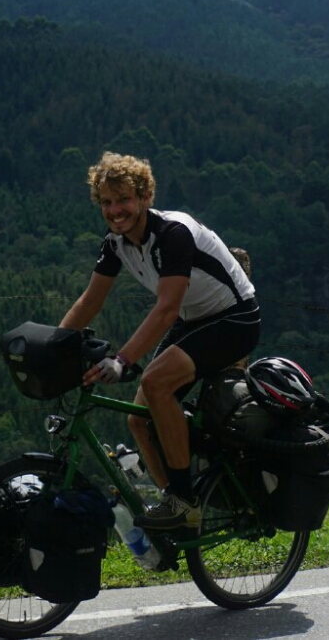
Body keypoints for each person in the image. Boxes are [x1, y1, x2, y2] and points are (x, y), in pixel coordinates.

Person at [59, 152, 260, 531]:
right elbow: (90, 301)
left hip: (235, 318)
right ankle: (181, 511)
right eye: (106, 202)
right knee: (139, 420)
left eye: (124, 199)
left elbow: (166, 309)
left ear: (145, 197)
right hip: (193, 319)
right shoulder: (116, 243)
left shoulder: (172, 234)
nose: (115, 210)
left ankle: (183, 500)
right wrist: (55, 344)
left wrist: (123, 360)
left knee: (155, 384)